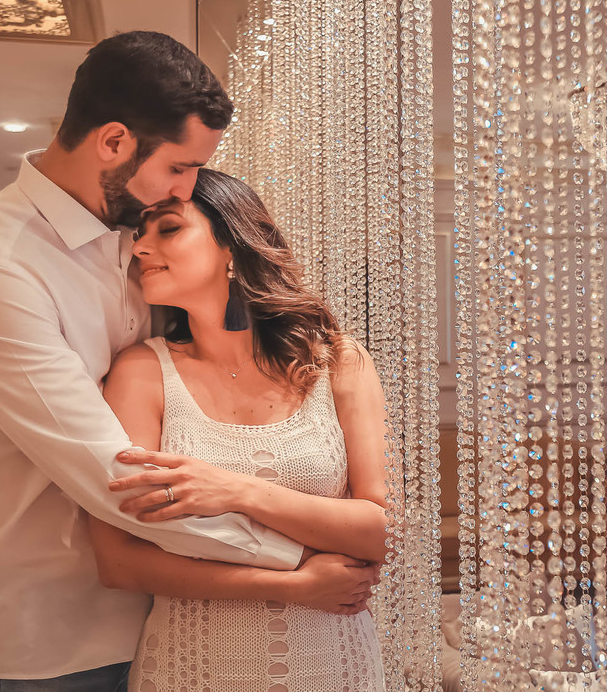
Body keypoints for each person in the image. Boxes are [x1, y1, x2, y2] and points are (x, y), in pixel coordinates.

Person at [0, 31, 377, 692]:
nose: (185, 189)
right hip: (39, 639)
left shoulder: (123, 239)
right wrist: (303, 559)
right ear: (113, 142)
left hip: (163, 622)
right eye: (179, 167)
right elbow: (119, 478)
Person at [88, 169, 388, 691]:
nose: (140, 248)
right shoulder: (141, 372)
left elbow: (382, 531)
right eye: (139, 233)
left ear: (231, 245)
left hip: (335, 664)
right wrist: (294, 585)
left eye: (168, 229)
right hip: (194, 666)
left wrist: (237, 490)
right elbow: (120, 560)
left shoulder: (338, 362)